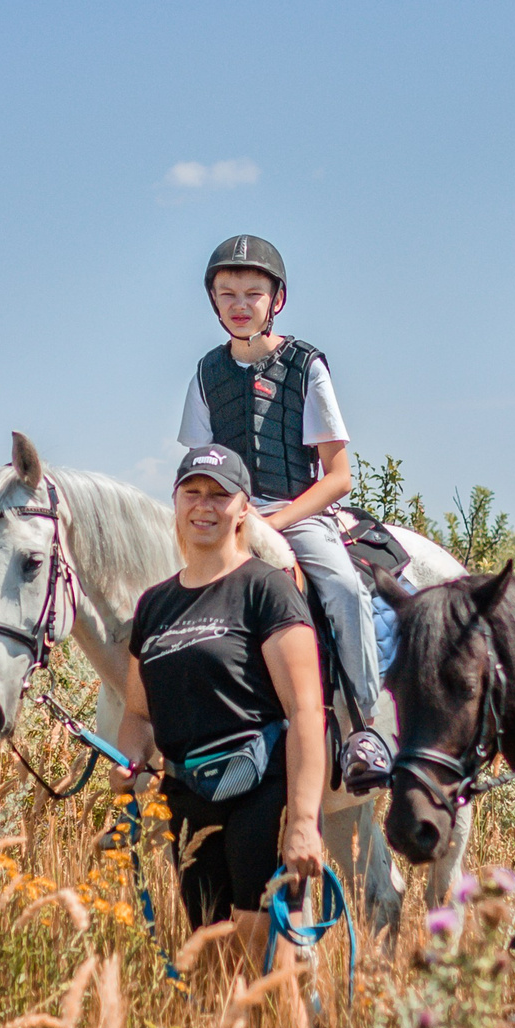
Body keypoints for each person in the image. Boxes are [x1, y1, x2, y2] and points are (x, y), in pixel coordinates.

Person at [178, 235, 393, 794]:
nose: (239, 303)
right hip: (226, 517)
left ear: (277, 299)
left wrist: (271, 524)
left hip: (297, 514)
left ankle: (366, 729)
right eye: (226, 293)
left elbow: (340, 476)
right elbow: (195, 469)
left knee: (344, 588)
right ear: (213, 302)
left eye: (253, 292)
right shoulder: (205, 375)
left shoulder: (306, 366)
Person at [112, 445, 329, 975]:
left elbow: (305, 712)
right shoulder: (154, 605)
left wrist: (303, 821)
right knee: (210, 954)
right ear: (176, 503)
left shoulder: (266, 589)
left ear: (243, 509)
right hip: (188, 797)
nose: (204, 506)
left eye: (219, 494)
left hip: (261, 789)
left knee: (264, 946)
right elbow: (140, 712)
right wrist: (127, 757)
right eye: (193, 492)